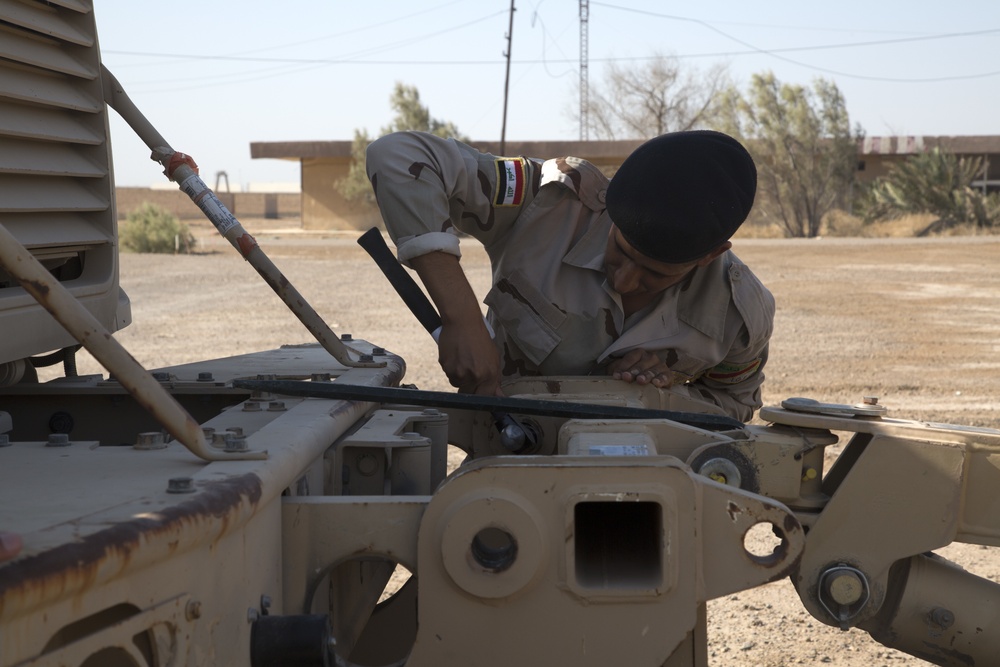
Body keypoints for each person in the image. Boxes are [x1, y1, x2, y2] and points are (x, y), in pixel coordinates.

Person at [365, 129, 773, 421]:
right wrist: (462, 319)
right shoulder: (547, 204)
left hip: (652, 490)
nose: (626, 281)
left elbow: (736, 406)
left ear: (711, 255)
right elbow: (397, 155)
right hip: (505, 472)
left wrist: (667, 395)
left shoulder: (737, 314)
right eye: (620, 251)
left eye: (654, 275)